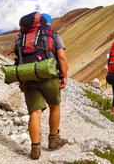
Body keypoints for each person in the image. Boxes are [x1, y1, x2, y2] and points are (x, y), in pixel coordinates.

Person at [18, 13, 68, 160]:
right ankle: (53, 140)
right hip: (49, 76)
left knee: (35, 112)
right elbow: (62, 56)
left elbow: (19, 59)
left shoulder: (22, 38)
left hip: (29, 77)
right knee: (55, 106)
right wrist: (64, 76)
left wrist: (22, 81)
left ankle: (35, 149)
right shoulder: (53, 35)